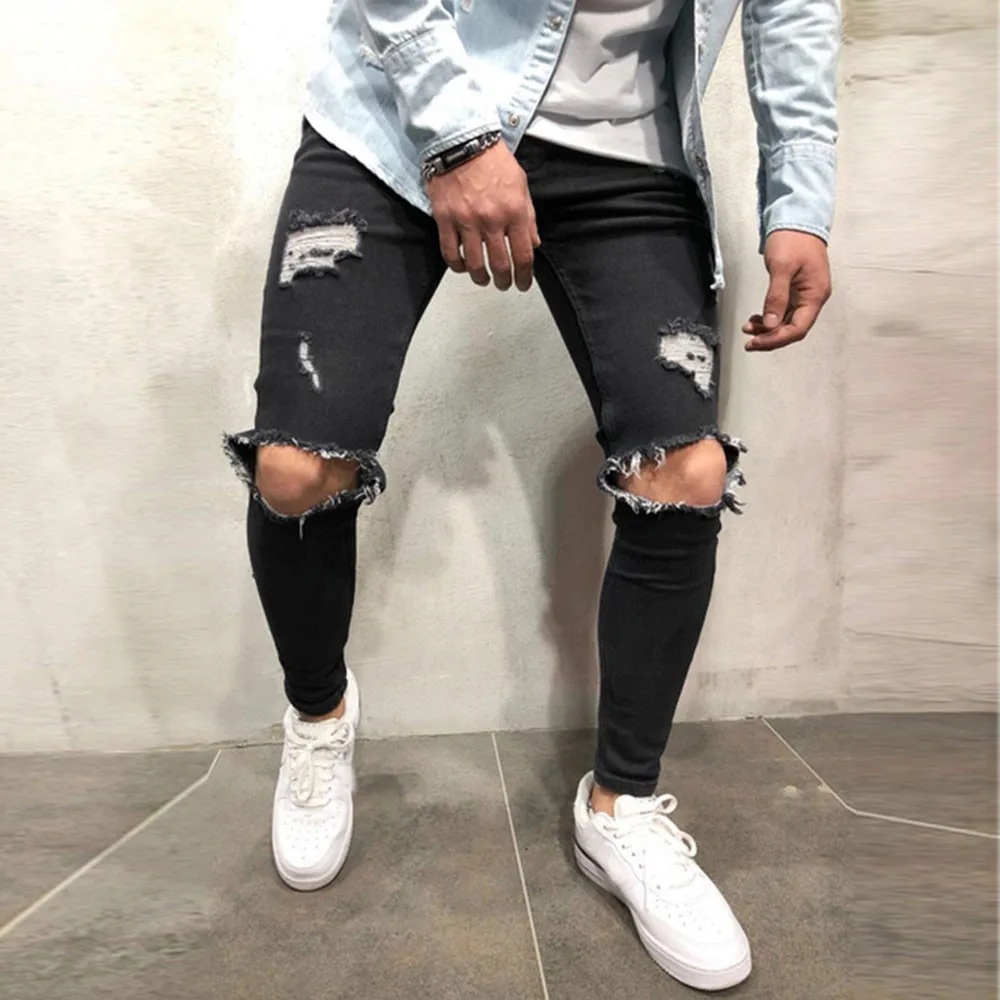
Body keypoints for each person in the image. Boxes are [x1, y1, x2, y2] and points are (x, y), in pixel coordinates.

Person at [225, 0, 838, 991]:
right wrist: (461, 137)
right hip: (394, 123)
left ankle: (619, 807)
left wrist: (799, 199)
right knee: (296, 469)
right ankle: (319, 713)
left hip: (630, 149)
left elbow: (794, 10)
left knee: (684, 472)